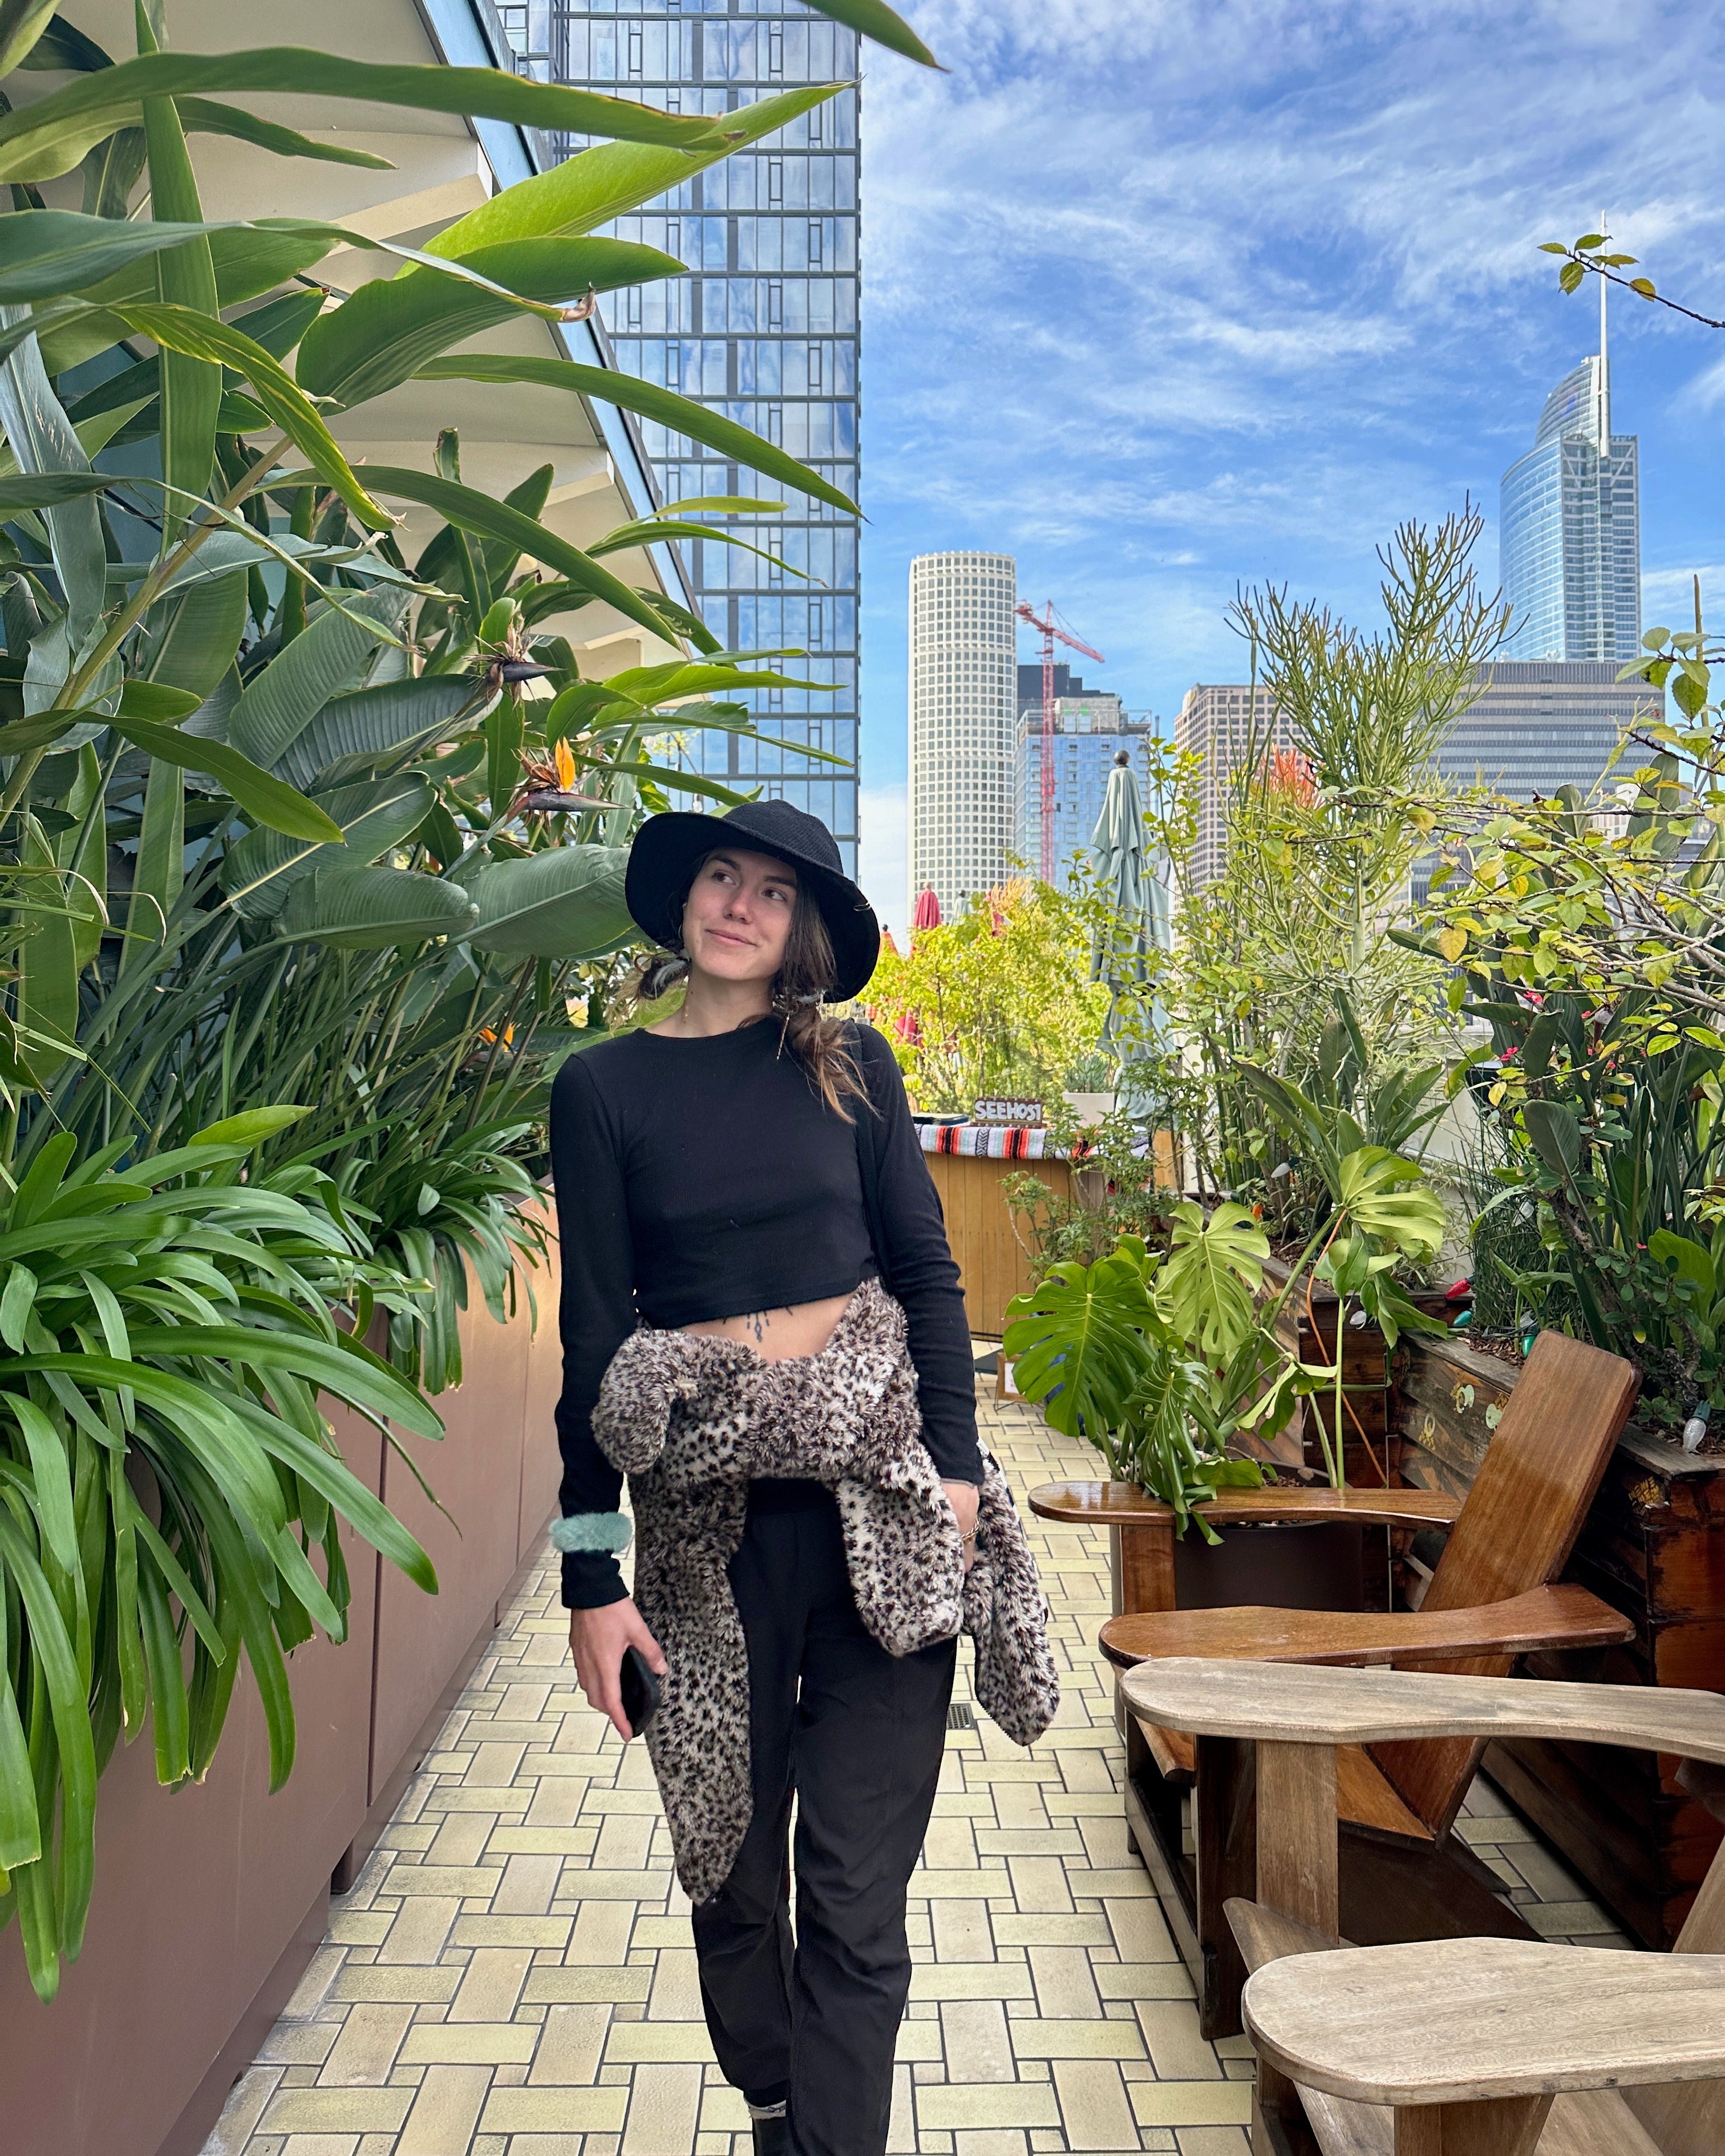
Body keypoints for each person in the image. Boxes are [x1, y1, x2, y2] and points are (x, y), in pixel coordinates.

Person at [550, 800, 991, 2156]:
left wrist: (963, 1483)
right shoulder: (603, 1090)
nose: (740, 906)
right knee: (732, 1885)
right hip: (704, 1543)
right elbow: (596, 1335)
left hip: (880, 1518)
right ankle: (782, 2107)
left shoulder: (849, 1065)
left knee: (857, 1901)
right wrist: (589, 1577)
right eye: (720, 879)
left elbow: (924, 1274)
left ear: (802, 930)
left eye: (774, 894)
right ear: (684, 902)